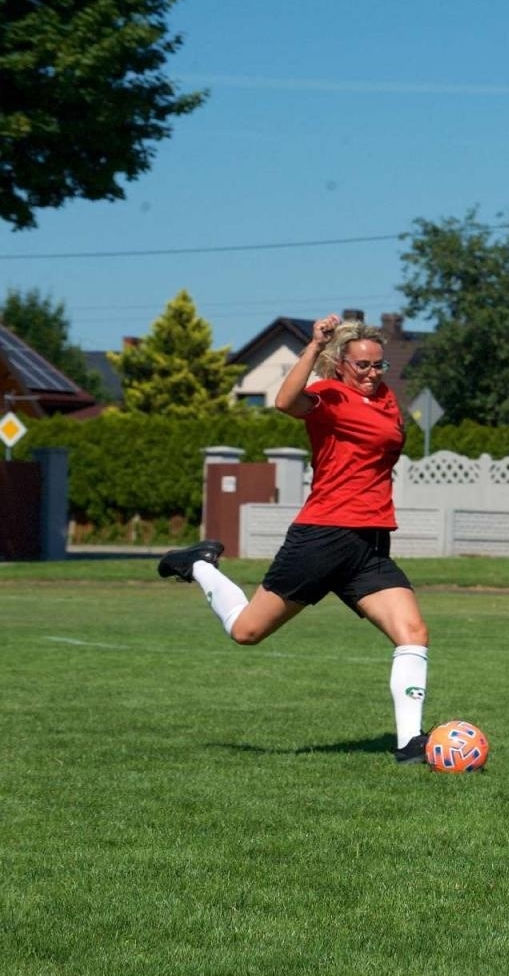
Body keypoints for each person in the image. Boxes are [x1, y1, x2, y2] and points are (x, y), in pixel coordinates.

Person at [157, 313, 431, 765]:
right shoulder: (329, 395)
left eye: (379, 365)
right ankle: (198, 564)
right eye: (362, 365)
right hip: (323, 537)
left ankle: (409, 745)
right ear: (340, 364)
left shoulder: (385, 398)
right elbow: (285, 402)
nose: (371, 373)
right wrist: (313, 345)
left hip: (369, 544)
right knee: (247, 631)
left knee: (413, 632)